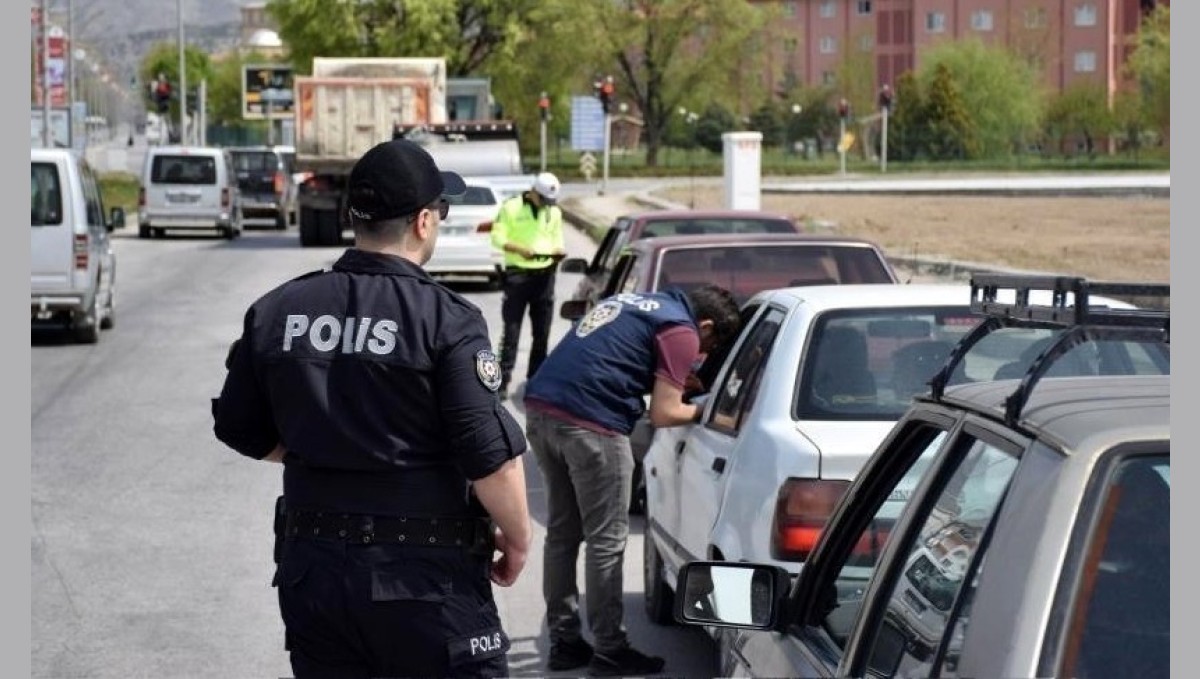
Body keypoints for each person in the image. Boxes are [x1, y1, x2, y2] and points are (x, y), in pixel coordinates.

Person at [212, 138, 532, 679]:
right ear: (425, 221)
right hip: (424, 582)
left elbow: (238, 425)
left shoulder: (277, 309)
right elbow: (490, 458)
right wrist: (518, 540)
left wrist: (322, 452)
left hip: (313, 574)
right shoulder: (447, 320)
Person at [523, 285, 741, 676]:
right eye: (709, 343)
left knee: (562, 534)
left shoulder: (636, 302)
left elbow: (613, 359)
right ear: (705, 325)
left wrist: (666, 379)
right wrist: (705, 412)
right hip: (593, 427)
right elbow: (664, 413)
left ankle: (565, 642)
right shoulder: (681, 329)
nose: (702, 354)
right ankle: (610, 649)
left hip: (542, 413)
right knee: (606, 540)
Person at [489, 171, 567, 400]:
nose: (546, 205)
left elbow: (557, 238)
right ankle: (502, 383)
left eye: (549, 202)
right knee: (511, 331)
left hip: (545, 275)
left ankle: (536, 382)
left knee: (541, 334)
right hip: (518, 276)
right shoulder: (511, 208)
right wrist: (519, 249)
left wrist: (558, 252)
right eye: (543, 199)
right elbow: (498, 237)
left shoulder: (553, 212)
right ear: (533, 192)